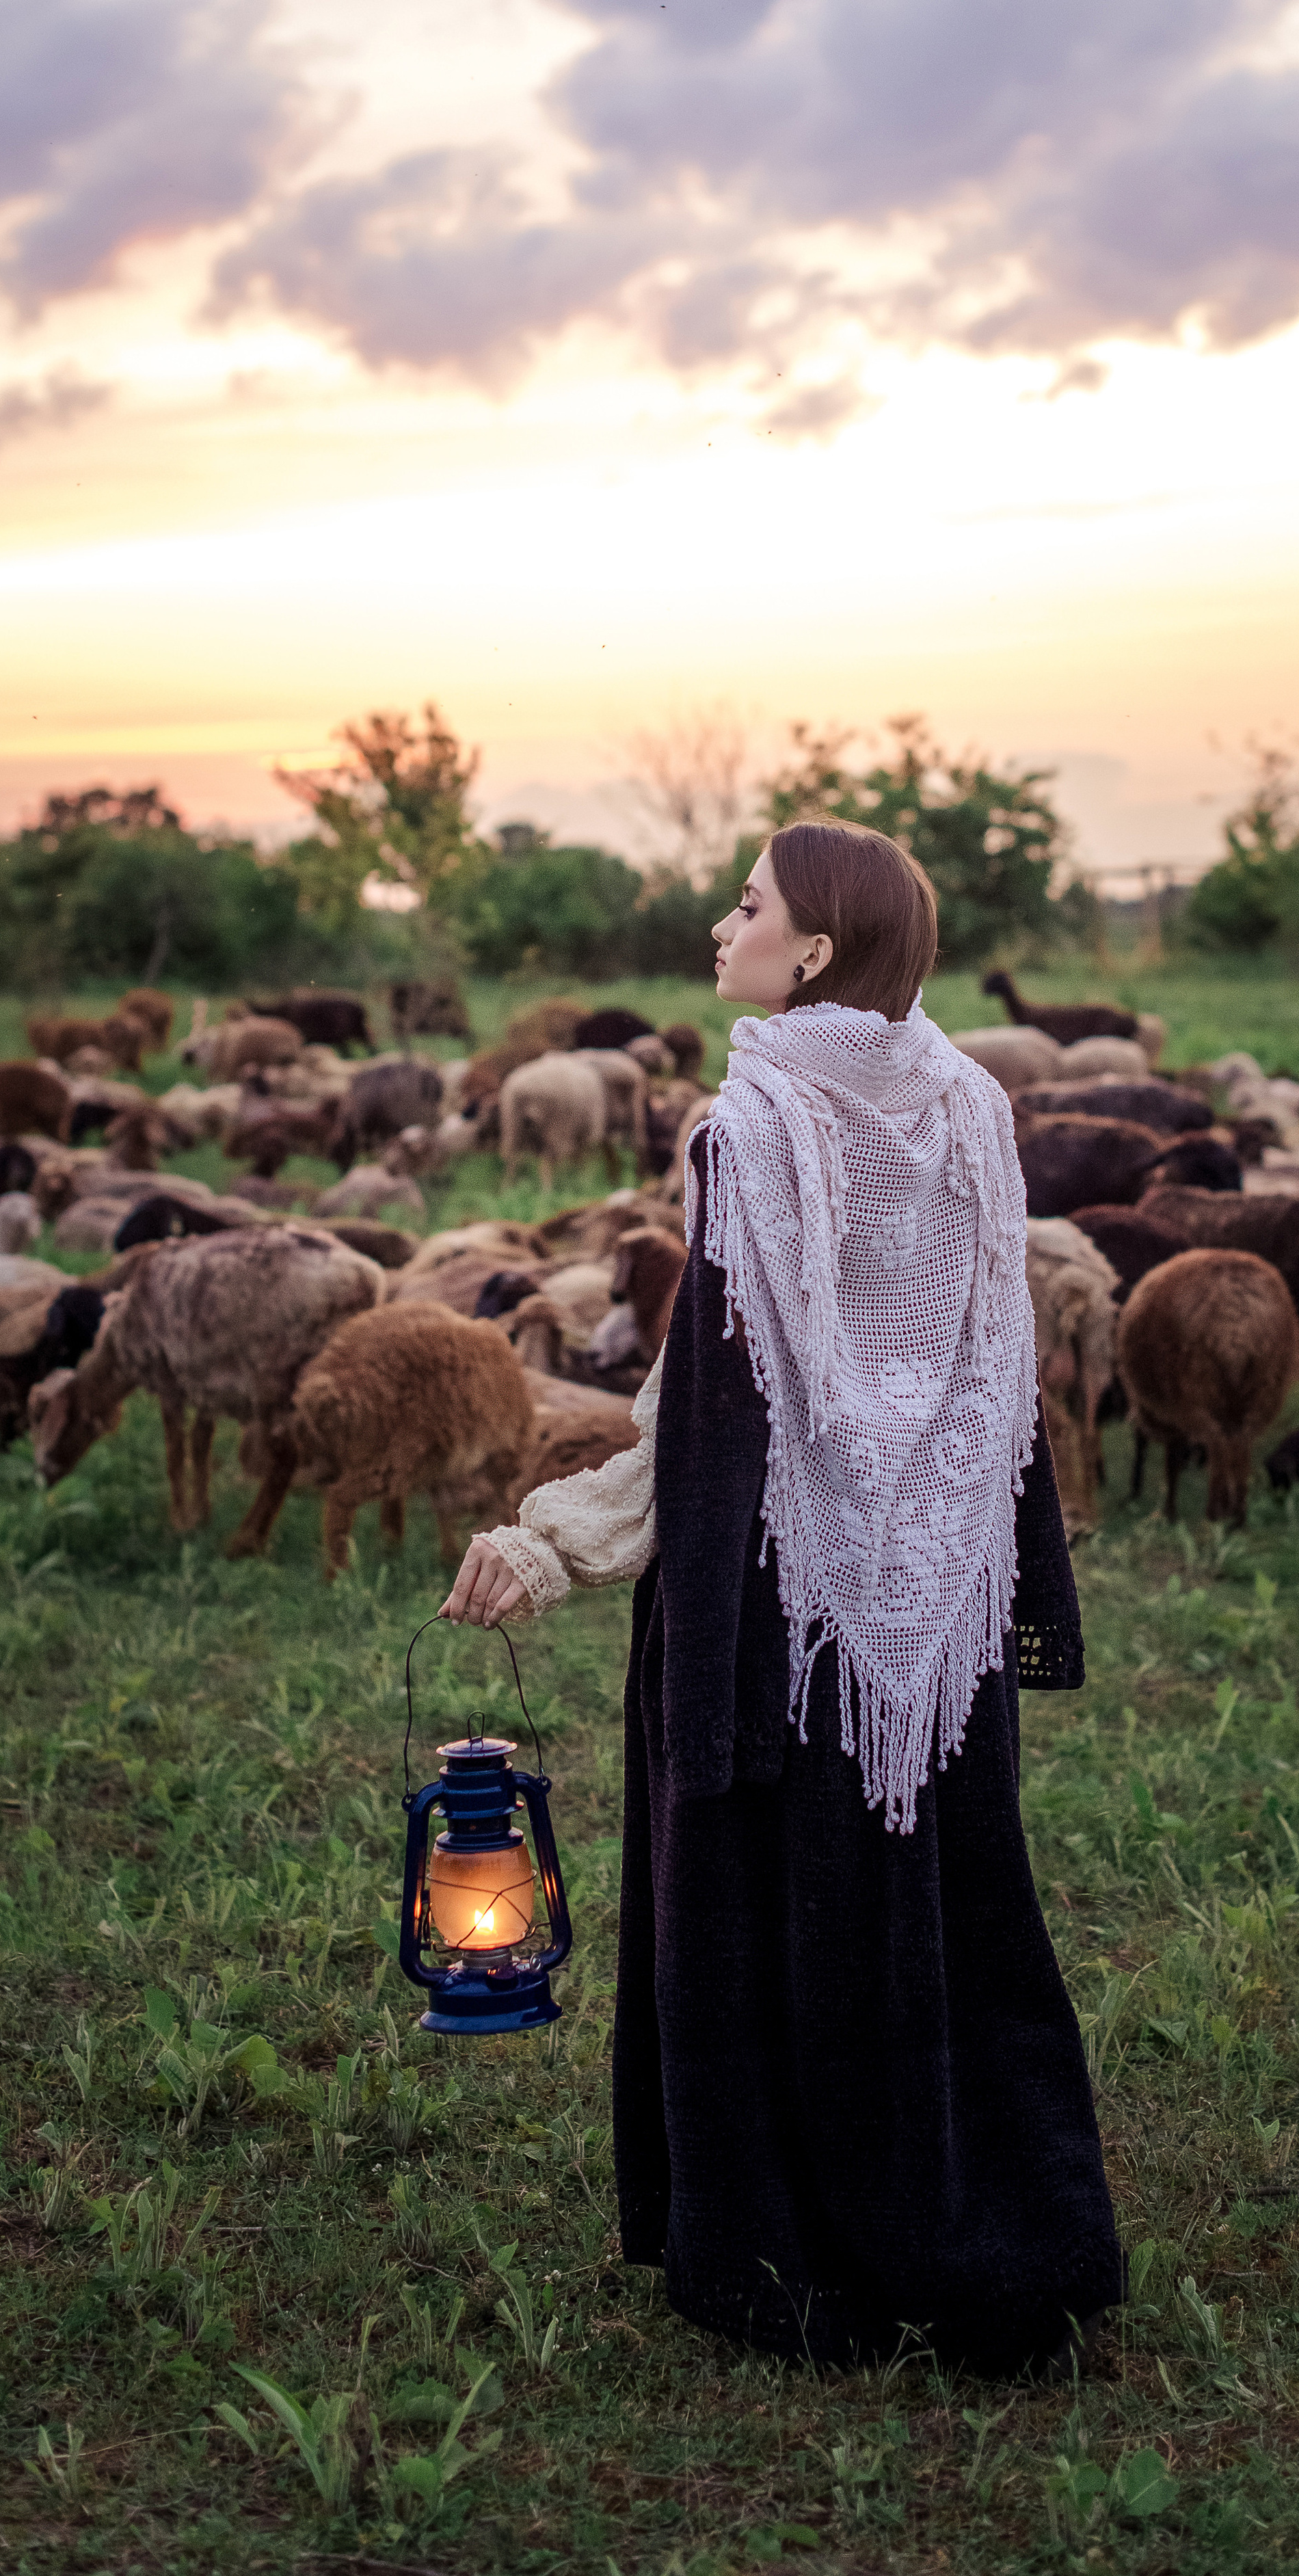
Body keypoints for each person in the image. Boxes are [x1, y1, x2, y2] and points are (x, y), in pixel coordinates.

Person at [442, 818, 1123, 2376]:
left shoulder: (751, 1122)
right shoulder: (969, 1102)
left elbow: (721, 1389)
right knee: (939, 1903)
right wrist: (934, 1524)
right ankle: (1001, 2231)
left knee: (758, 1900)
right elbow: (981, 1362)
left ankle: (776, 2260)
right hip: (934, 1584)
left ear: (812, 949)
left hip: (778, 1591)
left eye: (745, 904)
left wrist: (562, 1536)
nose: (717, 922)